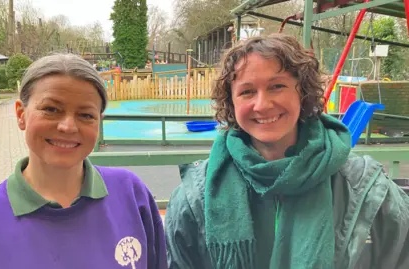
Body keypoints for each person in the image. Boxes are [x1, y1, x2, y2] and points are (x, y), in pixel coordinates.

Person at [164, 33, 409, 269]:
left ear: (302, 91)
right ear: (231, 102)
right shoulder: (195, 196)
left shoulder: (365, 187)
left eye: (277, 86)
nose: (262, 105)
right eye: (247, 91)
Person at [0, 54, 167, 269]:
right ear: (21, 114)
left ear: (99, 121)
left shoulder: (131, 196)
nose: (68, 126)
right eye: (51, 109)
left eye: (86, 115)